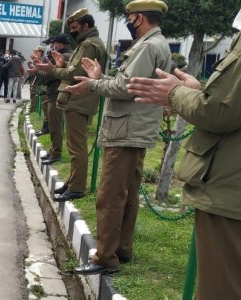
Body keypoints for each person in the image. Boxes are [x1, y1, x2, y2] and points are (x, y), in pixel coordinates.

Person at [125, 0, 241, 298]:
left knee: (225, 292)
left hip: (240, 182)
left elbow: (221, 111)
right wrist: (196, 91)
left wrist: (174, 93)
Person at [65, 0, 173, 275]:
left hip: (126, 130)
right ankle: (121, 249)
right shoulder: (155, 44)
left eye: (130, 18)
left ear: (138, 19)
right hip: (135, 129)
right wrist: (101, 77)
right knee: (127, 194)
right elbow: (129, 81)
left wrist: (92, 84)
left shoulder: (147, 46)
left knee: (111, 195)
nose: (129, 23)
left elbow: (125, 87)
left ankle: (105, 257)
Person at [47, 8, 106, 201]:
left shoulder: (89, 44)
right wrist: (62, 66)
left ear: (85, 26)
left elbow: (75, 74)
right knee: (74, 146)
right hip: (78, 99)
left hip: (79, 100)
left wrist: (54, 69)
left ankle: (77, 187)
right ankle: (73, 182)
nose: (72, 31)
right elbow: (73, 69)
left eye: (74, 27)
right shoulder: (87, 43)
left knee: (77, 147)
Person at [34, 34, 73, 165]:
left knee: (55, 126)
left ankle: (56, 153)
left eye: (54, 44)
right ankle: (53, 150)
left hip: (57, 94)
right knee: (53, 124)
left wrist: (38, 70)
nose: (52, 47)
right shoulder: (61, 55)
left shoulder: (65, 57)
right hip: (53, 93)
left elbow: (52, 75)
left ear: (60, 44)